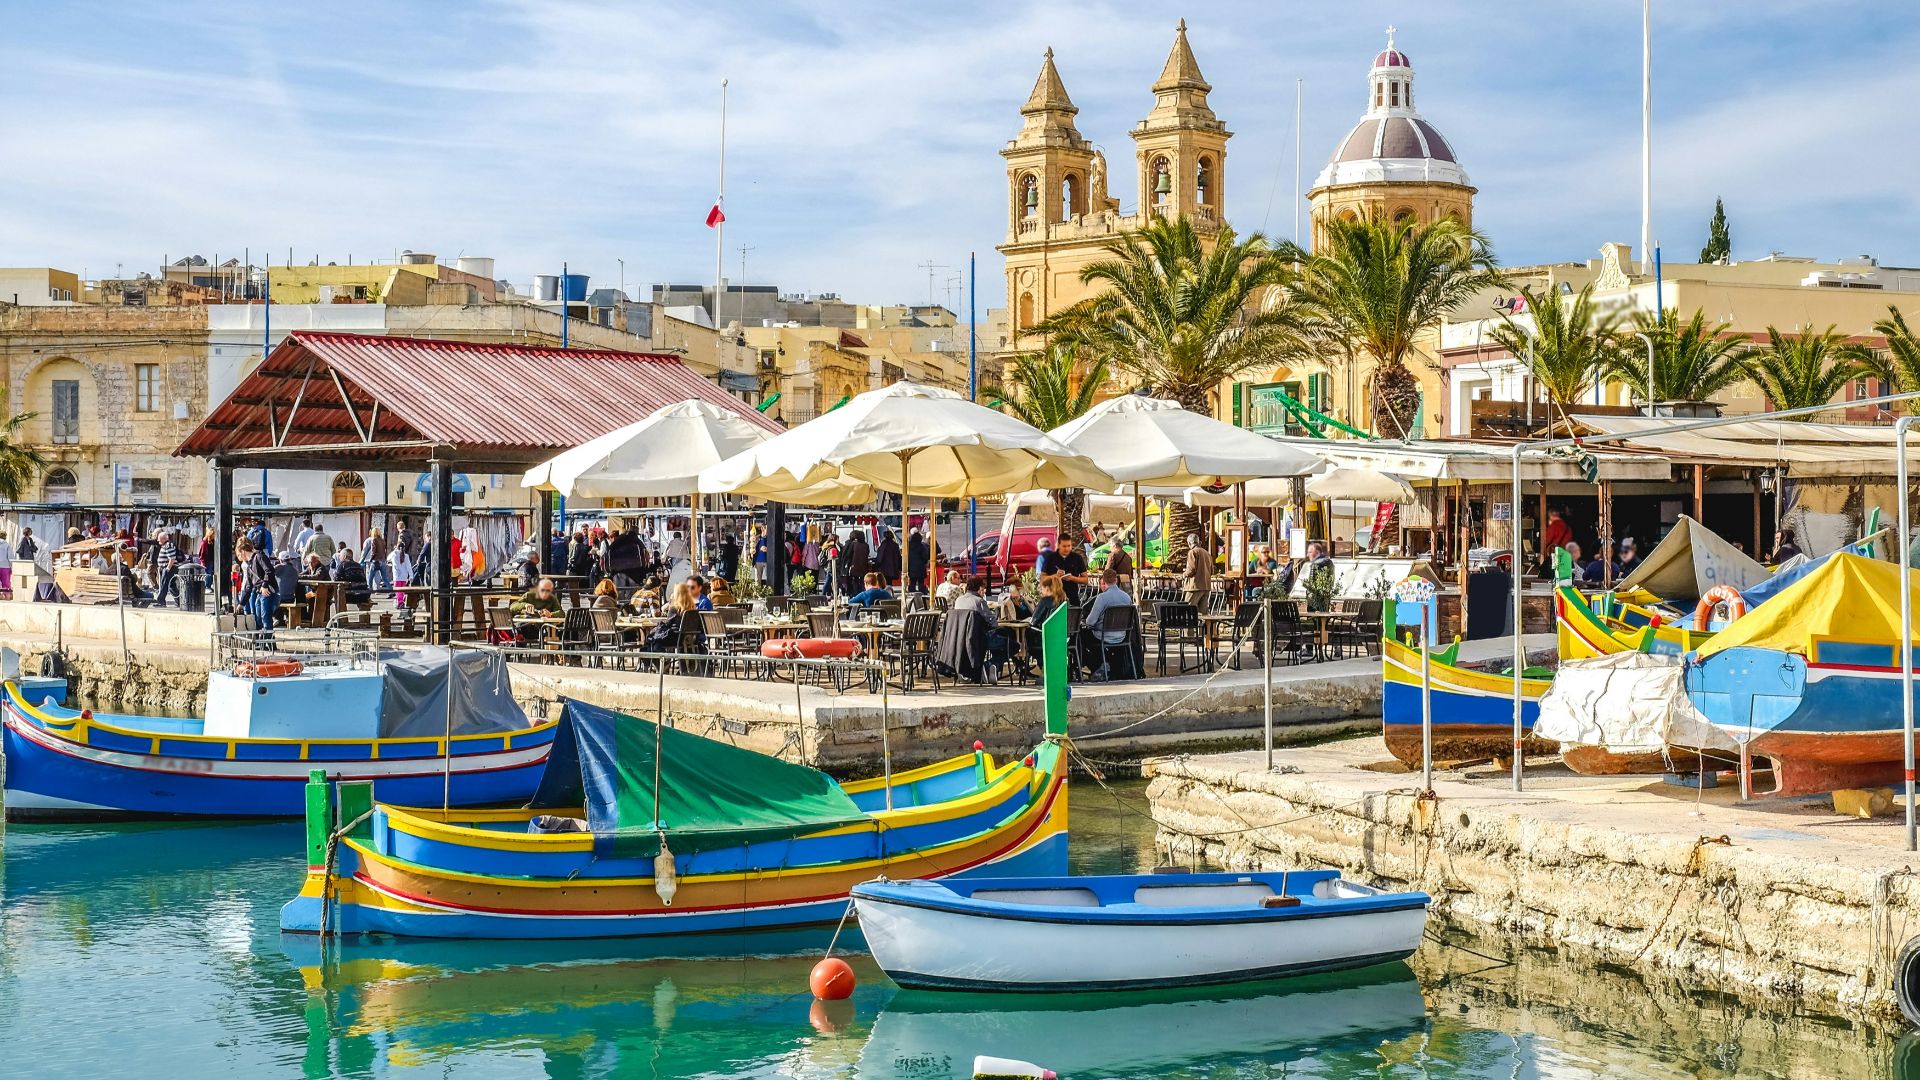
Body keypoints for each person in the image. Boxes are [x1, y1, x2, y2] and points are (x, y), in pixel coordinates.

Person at [1081, 567, 1136, 679]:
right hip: (1122, 636)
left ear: (1104, 583)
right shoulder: (1127, 597)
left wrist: (1084, 621)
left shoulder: (1102, 598)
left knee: (1080, 638)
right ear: (1116, 580)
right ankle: (1105, 664)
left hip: (1103, 635)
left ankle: (1097, 665)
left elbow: (1090, 622)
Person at [1039, 533, 1090, 606]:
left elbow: (1086, 580)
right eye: (1064, 546)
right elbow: (1042, 578)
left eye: (1069, 546)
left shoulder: (1077, 558)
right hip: (1054, 599)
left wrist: (1072, 578)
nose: (1067, 549)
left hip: (1073, 598)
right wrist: (1055, 576)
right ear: (1059, 545)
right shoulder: (1050, 558)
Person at [237, 539, 276, 631]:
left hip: (268, 591)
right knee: (259, 620)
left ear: (242, 551)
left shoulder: (259, 556)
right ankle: (262, 643)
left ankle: (269, 643)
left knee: (265, 619)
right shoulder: (249, 566)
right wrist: (241, 603)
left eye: (239, 554)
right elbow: (248, 586)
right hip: (260, 593)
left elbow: (269, 570)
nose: (240, 557)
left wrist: (265, 585)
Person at [1181, 532, 1212, 609]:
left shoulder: (1192, 552)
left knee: (1188, 609)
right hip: (1206, 586)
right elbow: (1212, 570)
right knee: (1204, 613)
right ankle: (1207, 622)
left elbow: (1191, 569)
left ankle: (1190, 622)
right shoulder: (1207, 553)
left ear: (1189, 543)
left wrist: (1184, 574)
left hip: (1195, 586)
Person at [1540, 507, 1573, 574]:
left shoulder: (1553, 527)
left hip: (1555, 555)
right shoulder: (1568, 527)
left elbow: (1546, 541)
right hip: (1566, 556)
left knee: (1554, 574)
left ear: (1550, 516)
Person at [906, 529, 930, 594]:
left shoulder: (908, 546)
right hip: (920, 567)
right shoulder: (922, 546)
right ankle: (921, 596)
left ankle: (911, 594)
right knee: (921, 583)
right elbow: (925, 557)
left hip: (911, 567)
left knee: (912, 582)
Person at [0, 530, 14, 597]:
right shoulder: (7, 545)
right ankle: (6, 596)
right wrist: (12, 567)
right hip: (5, 566)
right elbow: (10, 557)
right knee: (6, 583)